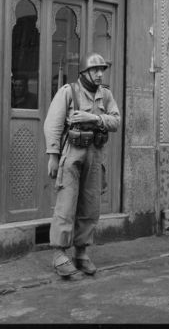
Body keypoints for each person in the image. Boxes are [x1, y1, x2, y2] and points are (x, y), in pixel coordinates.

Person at [44, 53, 120, 278]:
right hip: (72, 154)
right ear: (84, 72)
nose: (99, 74)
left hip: (95, 155)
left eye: (102, 70)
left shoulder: (105, 95)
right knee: (66, 204)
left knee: (90, 205)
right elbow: (53, 124)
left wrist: (94, 119)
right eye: (95, 70)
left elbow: (116, 120)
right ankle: (59, 253)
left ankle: (81, 252)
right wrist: (53, 155)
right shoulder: (69, 92)